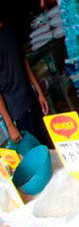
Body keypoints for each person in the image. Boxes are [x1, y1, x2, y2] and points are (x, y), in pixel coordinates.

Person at [0, 17, 50, 146]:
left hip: (31, 99)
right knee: (32, 150)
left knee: (48, 146)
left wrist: (40, 93)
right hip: (16, 112)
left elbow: (23, 61)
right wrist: (10, 125)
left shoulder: (8, 31)